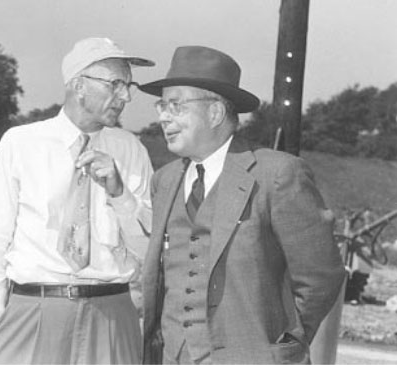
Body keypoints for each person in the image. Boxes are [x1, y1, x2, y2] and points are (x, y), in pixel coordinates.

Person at [138, 46, 346, 364]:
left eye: (176, 105)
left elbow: (321, 275)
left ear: (215, 113)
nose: (163, 116)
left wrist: (285, 343)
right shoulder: (163, 181)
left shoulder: (277, 175)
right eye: (162, 105)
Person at [0, 37, 155, 363]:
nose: (125, 96)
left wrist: (119, 193)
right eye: (115, 84)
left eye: (129, 86)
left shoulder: (131, 150)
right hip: (33, 312)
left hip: (112, 314)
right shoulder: (21, 143)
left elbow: (149, 249)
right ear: (78, 85)